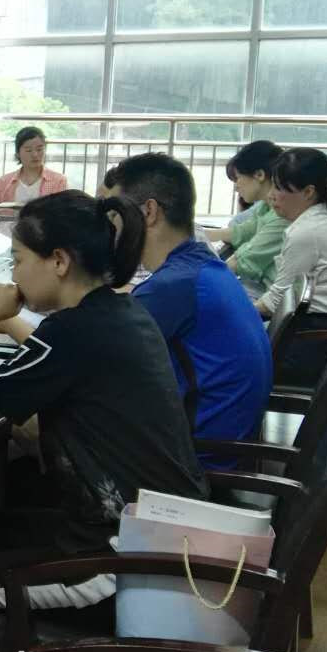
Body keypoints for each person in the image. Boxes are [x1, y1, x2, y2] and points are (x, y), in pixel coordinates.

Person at [0, 191, 207, 652]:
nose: (13, 275)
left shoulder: (71, 333)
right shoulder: (117, 312)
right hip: (157, 531)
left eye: (18, 260)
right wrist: (6, 324)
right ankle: (12, 650)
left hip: (124, 562)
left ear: (58, 261)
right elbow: (53, 376)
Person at [106, 153, 272, 454]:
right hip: (222, 445)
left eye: (115, 216)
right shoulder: (202, 265)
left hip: (192, 463)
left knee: (44, 419)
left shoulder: (172, 287)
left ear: (148, 212)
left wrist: (11, 318)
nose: (112, 229)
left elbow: (88, 364)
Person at [256, 148, 327, 384]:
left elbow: (274, 302)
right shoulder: (318, 222)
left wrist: (232, 310)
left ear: (308, 192)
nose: (271, 195)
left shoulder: (307, 232)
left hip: (312, 343)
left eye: (279, 188)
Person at [204, 140, 288, 289]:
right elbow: (245, 231)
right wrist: (202, 234)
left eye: (238, 178)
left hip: (269, 293)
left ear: (259, 175)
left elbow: (246, 260)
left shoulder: (283, 215)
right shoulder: (265, 207)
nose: (236, 187)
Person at [0, 127, 68, 205]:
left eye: (39, 149)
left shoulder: (59, 181)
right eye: (28, 150)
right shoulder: (3, 182)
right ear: (18, 153)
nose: (35, 154)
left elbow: (63, 210)